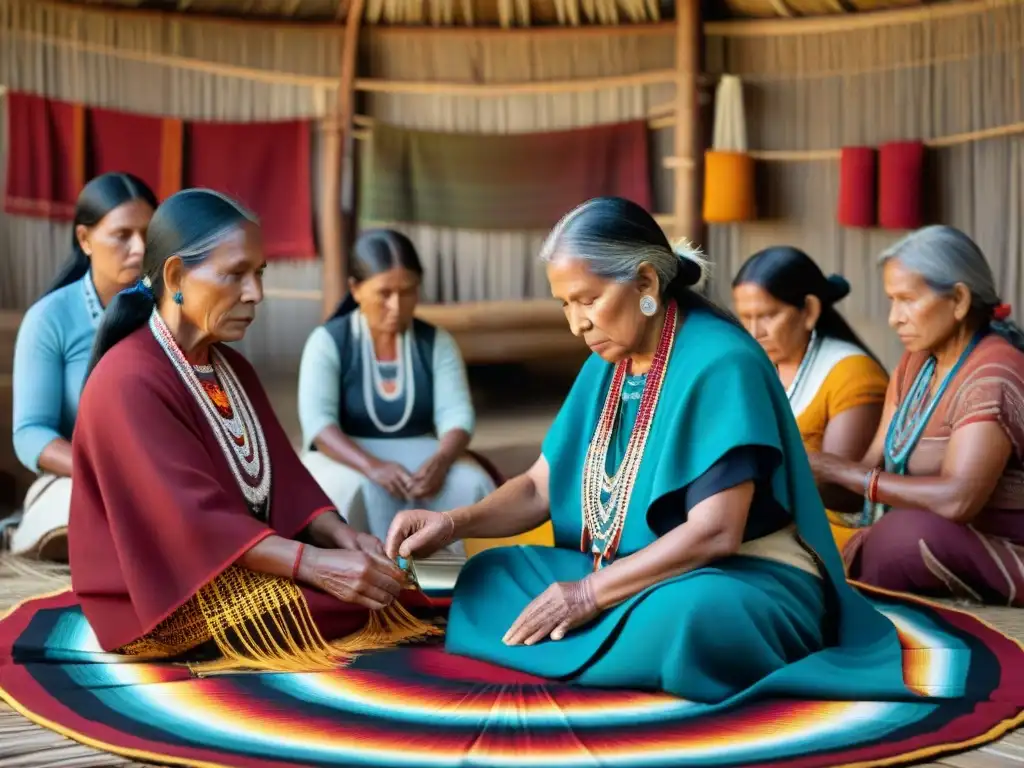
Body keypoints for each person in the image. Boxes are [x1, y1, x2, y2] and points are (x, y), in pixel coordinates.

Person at [384, 197, 923, 704]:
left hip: (738, 578)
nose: (577, 324)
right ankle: (608, 651)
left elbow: (716, 532)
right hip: (622, 570)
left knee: (692, 619)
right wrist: (453, 523)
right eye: (565, 304)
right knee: (487, 576)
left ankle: (588, 644)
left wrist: (588, 595)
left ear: (644, 280)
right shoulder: (606, 363)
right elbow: (538, 487)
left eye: (589, 299)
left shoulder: (721, 361)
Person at [70, 189, 438, 673]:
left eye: (259, 273)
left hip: (232, 560)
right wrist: (315, 564)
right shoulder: (127, 379)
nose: (256, 294)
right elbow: (189, 521)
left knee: (382, 582)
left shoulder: (231, 369)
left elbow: (282, 478)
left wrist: (341, 537)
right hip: (163, 590)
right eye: (236, 274)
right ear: (177, 276)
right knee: (364, 601)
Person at [810, 225, 1024, 606]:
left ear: (958, 299)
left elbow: (958, 500)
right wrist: (799, 470)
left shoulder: (995, 370)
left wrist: (837, 469)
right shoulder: (915, 366)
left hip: (1005, 551)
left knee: (906, 535)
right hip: (928, 537)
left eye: (906, 299)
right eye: (892, 300)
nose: (894, 318)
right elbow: (865, 480)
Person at [297, 229, 496, 555]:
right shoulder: (328, 342)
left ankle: (457, 582)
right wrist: (372, 466)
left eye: (408, 292)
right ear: (355, 289)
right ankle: (362, 575)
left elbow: (457, 416)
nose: (397, 305)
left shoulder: (436, 342)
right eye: (384, 293)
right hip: (344, 458)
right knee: (347, 490)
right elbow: (319, 426)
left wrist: (443, 460)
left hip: (423, 456)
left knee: (469, 484)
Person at [9, 172, 157, 561]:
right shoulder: (50, 319)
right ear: (85, 239)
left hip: (161, 481)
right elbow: (29, 433)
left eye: (148, 234)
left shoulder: (169, 313)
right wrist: (108, 472)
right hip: (79, 483)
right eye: (123, 234)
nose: (140, 248)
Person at [732, 247, 888, 551]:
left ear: (810, 311)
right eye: (745, 318)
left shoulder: (852, 374)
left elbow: (842, 493)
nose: (754, 331)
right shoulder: (752, 365)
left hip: (824, 534)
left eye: (767, 316)